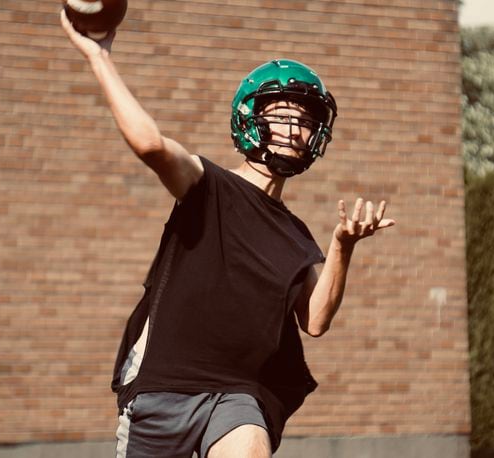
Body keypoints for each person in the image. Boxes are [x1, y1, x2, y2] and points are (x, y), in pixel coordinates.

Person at [60, 10, 395, 458]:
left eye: (306, 119)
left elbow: (315, 319)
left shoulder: (295, 234)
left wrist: (342, 245)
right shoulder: (207, 183)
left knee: (250, 447)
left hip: (239, 394)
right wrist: (99, 57)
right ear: (250, 121)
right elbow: (151, 145)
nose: (296, 129)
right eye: (282, 115)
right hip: (165, 387)